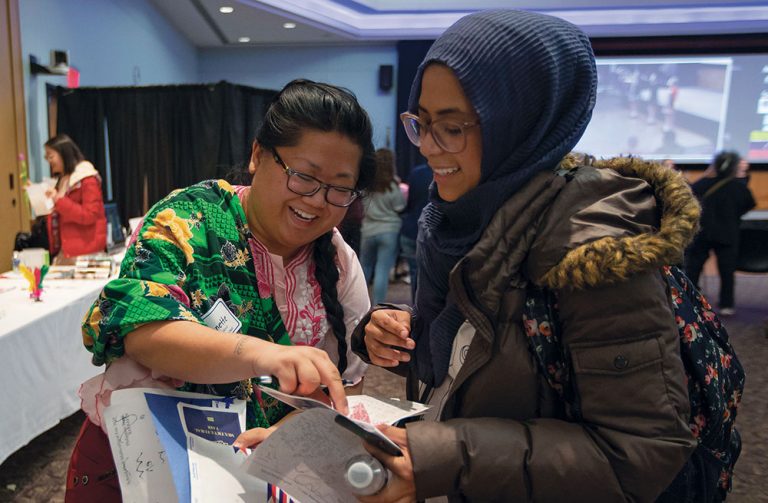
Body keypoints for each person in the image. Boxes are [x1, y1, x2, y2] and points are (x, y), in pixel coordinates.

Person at [352, 10, 704, 502]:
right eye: (422, 122)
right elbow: (481, 353)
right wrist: (393, 330)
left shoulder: (593, 254)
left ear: (521, 122)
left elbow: (639, 450)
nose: (428, 148)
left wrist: (446, 459)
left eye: (452, 127)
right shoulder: (460, 221)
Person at [65, 79, 376, 501]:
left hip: (255, 475)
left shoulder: (337, 262)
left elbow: (343, 391)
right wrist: (263, 353)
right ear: (257, 155)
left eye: (340, 188)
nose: (319, 201)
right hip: (146, 463)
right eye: (304, 176)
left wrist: (292, 432)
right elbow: (143, 329)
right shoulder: (188, 219)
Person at [685, 151, 756, 316]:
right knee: (727, 271)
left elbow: (690, 199)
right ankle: (726, 304)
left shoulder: (701, 184)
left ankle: (690, 301)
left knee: (693, 268)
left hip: (701, 233)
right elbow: (748, 204)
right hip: (728, 234)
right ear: (735, 166)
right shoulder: (739, 187)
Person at [42, 134, 107, 261]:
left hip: (87, 253)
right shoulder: (63, 179)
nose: (48, 161)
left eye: (50, 156)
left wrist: (58, 200)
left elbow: (90, 215)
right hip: (67, 250)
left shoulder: (87, 178)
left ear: (64, 154)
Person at [360, 148, 406, 305]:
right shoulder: (392, 186)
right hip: (389, 231)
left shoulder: (366, 186)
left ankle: (358, 304)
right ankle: (377, 307)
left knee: (363, 269)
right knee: (382, 270)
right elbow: (400, 207)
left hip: (368, 230)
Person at [399, 163, 432, 302]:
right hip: (432, 232)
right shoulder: (445, 175)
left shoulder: (416, 173)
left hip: (410, 229)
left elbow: (410, 203)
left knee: (415, 273)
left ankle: (416, 309)